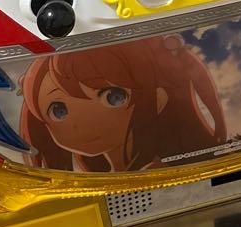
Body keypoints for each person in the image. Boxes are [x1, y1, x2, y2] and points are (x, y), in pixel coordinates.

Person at [20, 34, 226, 171]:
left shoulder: (159, 171)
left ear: (159, 98)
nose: (86, 123)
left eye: (114, 97)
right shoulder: (102, 180)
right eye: (59, 110)